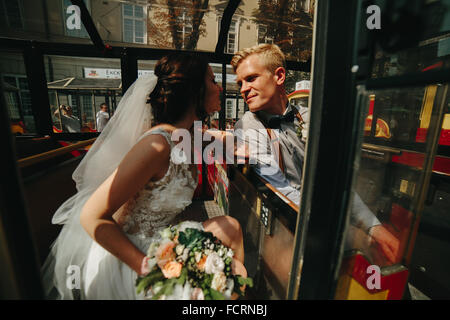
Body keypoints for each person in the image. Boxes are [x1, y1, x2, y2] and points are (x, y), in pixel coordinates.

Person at [42, 53, 245, 299]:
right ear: (195, 92)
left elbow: (221, 141)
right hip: (134, 257)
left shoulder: (184, 136)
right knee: (233, 279)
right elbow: (91, 216)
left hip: (161, 237)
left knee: (231, 227)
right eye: (213, 80)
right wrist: (150, 268)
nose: (220, 87)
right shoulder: (157, 146)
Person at [231, 44, 400, 264]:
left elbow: (334, 181)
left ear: (279, 76)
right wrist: (350, 233)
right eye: (240, 83)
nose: (243, 88)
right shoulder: (248, 126)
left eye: (251, 78)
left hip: (323, 223)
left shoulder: (310, 117)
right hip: (286, 232)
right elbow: (282, 194)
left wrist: (373, 225)